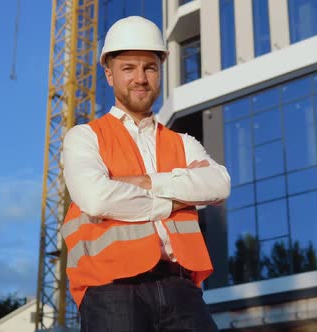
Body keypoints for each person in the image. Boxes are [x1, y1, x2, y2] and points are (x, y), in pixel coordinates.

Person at [61, 16, 231, 332]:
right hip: (110, 289)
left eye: (149, 68)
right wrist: (175, 197)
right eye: (129, 68)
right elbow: (97, 198)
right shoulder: (84, 137)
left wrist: (146, 183)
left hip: (181, 288)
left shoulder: (183, 142)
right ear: (109, 75)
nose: (141, 78)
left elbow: (219, 184)